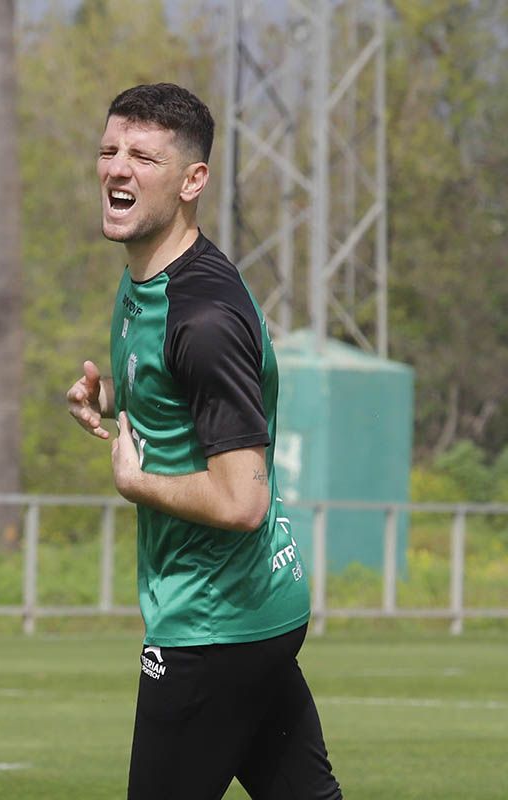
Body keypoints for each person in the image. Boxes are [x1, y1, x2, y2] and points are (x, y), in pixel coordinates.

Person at [66, 84, 342, 799]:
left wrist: (138, 483)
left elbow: (243, 499)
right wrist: (110, 398)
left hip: (213, 623)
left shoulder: (204, 318)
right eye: (109, 150)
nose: (117, 169)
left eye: (143, 157)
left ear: (193, 181)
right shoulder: (147, 281)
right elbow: (181, 397)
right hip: (258, 608)